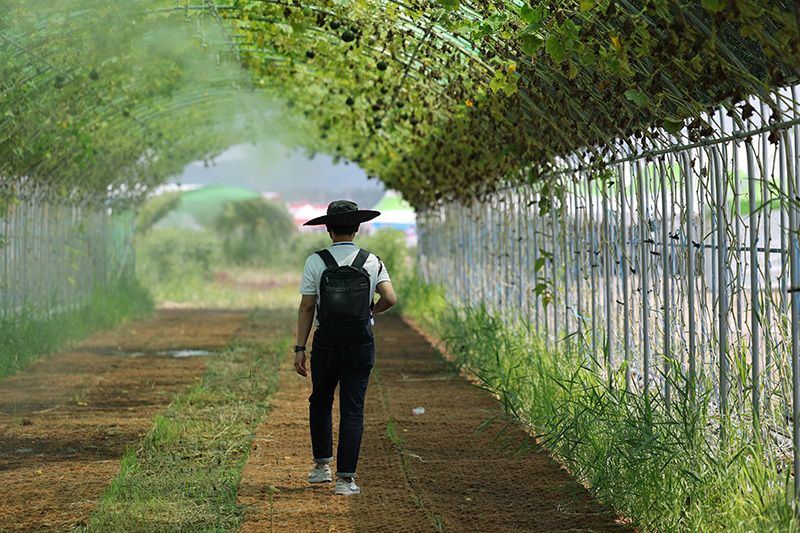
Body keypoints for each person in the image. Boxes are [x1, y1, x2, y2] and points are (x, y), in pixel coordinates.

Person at [293, 200, 397, 496]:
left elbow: (306, 307)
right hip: (360, 343)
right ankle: (345, 480)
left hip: (326, 343)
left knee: (321, 401)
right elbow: (390, 298)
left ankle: (321, 468)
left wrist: (300, 347)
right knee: (353, 410)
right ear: (357, 227)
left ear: (328, 229)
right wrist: (369, 312)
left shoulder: (316, 261)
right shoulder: (372, 261)